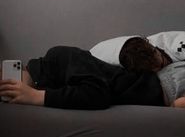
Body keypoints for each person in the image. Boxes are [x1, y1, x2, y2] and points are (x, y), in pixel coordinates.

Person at [90, 31, 185, 108]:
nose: (164, 68)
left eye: (161, 63)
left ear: (153, 47)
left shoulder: (177, 43)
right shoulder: (106, 61)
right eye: (154, 70)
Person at [0, 46, 164, 109]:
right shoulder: (45, 83)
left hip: (162, 84)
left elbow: (97, 93)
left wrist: (36, 97)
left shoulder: (57, 57)